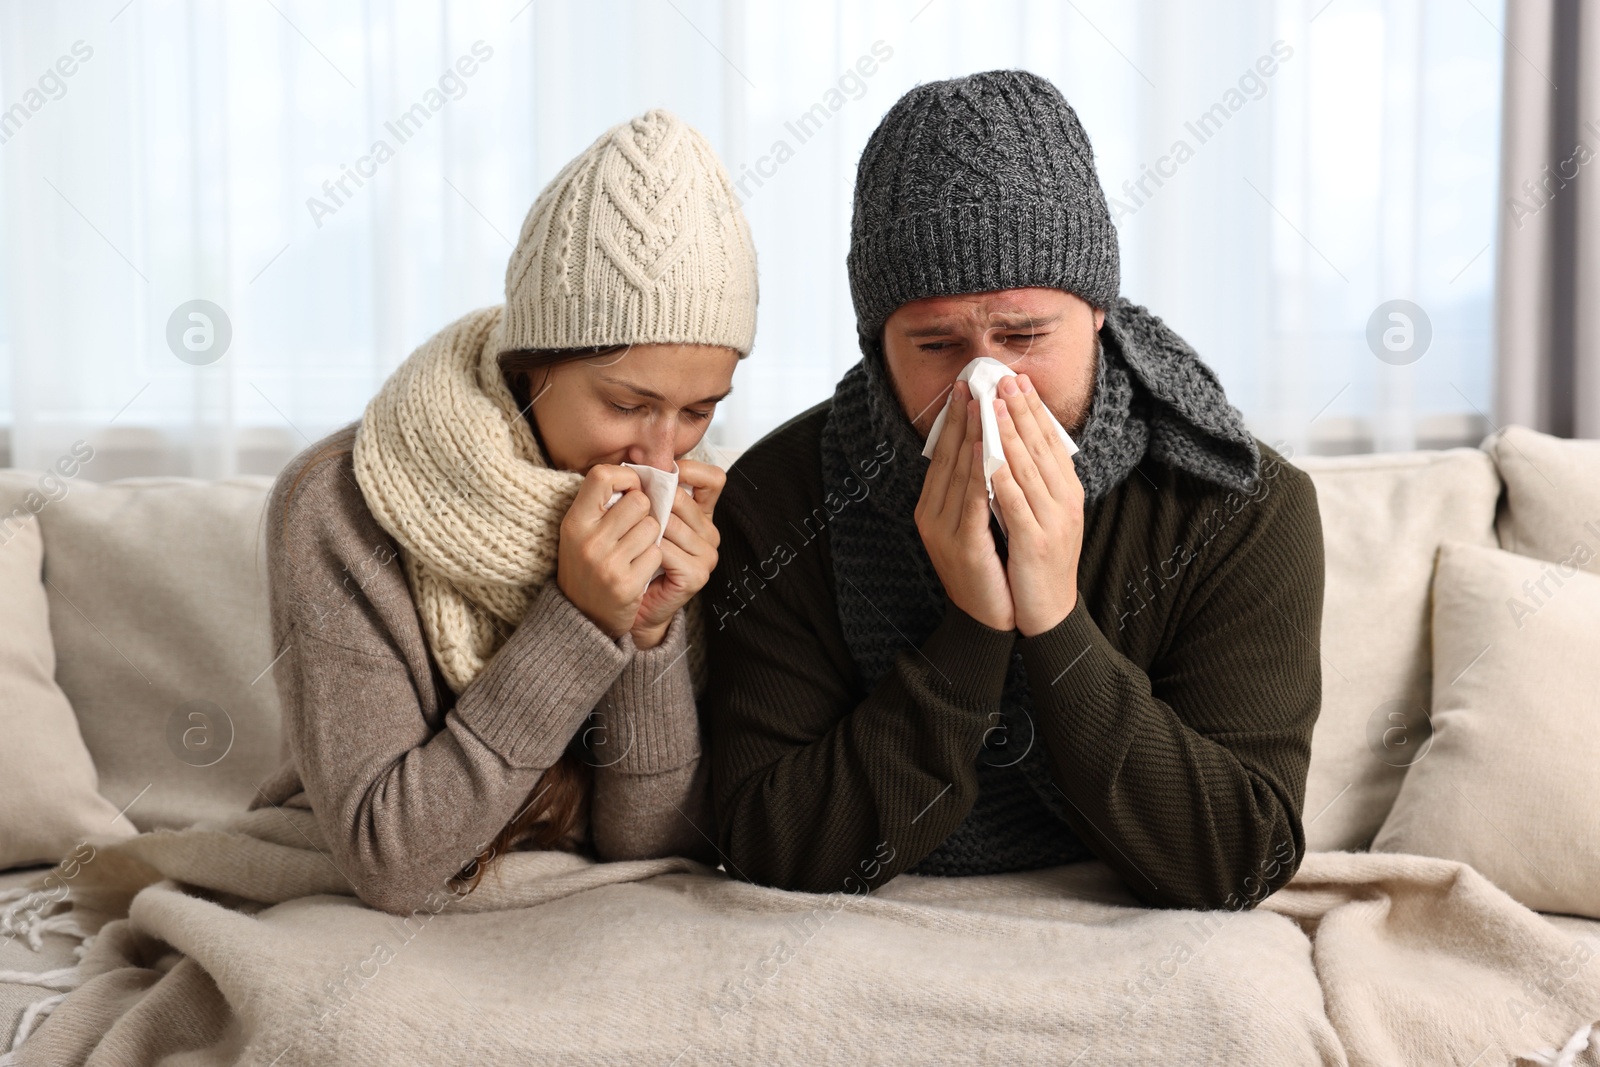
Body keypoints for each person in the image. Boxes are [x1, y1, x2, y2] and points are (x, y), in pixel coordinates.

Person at [705, 70, 1323, 911]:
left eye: (1025, 334)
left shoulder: (1237, 505)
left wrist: (1056, 621)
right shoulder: (780, 499)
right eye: (936, 343)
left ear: (1098, 311)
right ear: (876, 344)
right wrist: (972, 628)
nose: (986, 382)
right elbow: (768, 841)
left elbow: (1241, 858)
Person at [254, 108, 758, 916]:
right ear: (532, 366)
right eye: (629, 405)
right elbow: (394, 863)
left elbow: (652, 842)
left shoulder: (705, 505)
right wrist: (578, 620)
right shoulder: (336, 505)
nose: (662, 457)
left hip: (586, 924)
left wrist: (647, 628)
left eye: (699, 410)